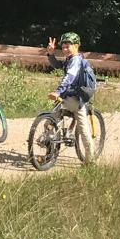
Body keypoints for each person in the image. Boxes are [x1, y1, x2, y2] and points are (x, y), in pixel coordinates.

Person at [47, 32, 95, 163]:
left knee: (81, 128)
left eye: (68, 46)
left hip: (73, 98)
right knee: (54, 121)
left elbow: (69, 77)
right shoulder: (71, 59)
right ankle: (89, 160)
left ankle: (90, 161)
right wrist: (51, 54)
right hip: (71, 97)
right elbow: (58, 65)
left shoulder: (75, 61)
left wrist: (58, 91)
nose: (64, 49)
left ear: (77, 46)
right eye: (63, 47)